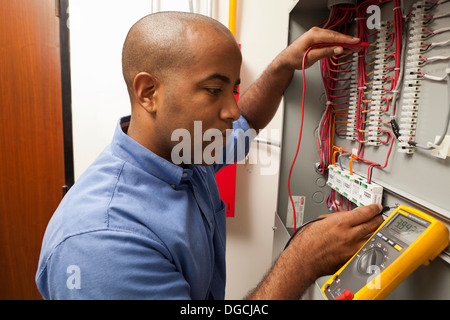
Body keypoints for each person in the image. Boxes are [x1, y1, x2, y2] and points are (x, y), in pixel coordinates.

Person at [36, 11, 383, 300]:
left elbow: (247, 119)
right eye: (214, 90)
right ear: (148, 93)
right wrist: (301, 261)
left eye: (232, 89)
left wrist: (281, 66)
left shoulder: (186, 153)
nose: (231, 110)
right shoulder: (102, 244)